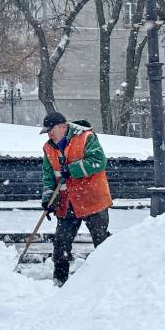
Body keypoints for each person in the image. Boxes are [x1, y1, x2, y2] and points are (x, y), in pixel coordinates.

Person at [40, 112, 112, 286]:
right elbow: (49, 175)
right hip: (67, 203)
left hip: (93, 200)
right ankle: (60, 282)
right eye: (47, 131)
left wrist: (72, 169)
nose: (50, 134)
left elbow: (99, 161)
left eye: (52, 130)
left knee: (102, 243)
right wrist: (48, 199)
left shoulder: (86, 137)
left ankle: (108, 279)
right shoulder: (48, 148)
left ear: (63, 126)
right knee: (61, 243)